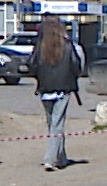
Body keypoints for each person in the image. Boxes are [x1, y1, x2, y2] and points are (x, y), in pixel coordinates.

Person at [31, 15, 82, 171]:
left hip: (45, 89)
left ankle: (61, 158)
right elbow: (76, 65)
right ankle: (50, 159)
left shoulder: (40, 47)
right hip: (63, 89)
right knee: (57, 125)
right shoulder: (67, 46)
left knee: (52, 124)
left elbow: (31, 65)